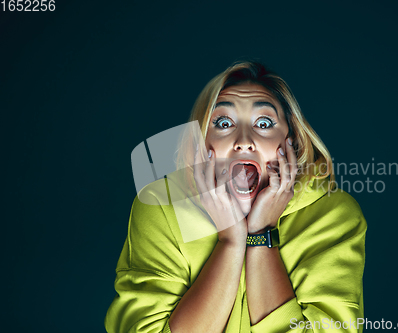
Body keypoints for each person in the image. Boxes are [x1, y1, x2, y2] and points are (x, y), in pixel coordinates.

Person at [105, 60, 367, 332]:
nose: (243, 140)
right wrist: (231, 240)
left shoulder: (332, 214)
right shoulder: (161, 206)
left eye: (264, 123)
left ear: (292, 141)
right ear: (201, 144)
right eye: (224, 123)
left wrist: (260, 233)